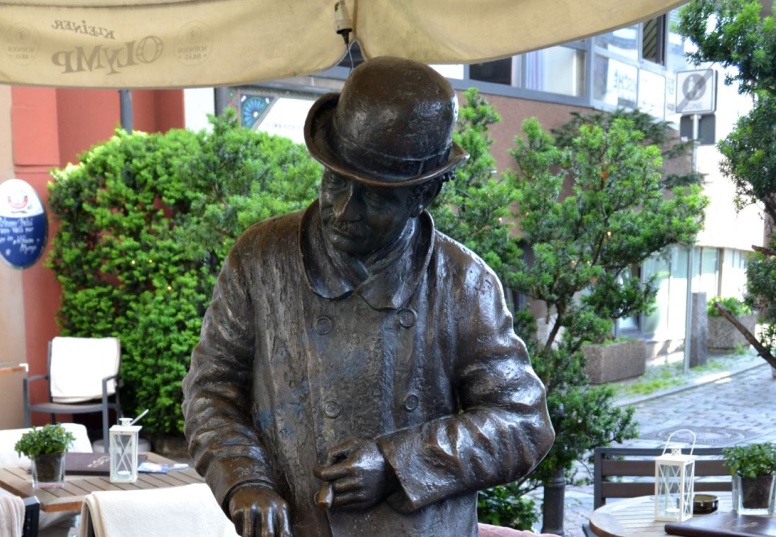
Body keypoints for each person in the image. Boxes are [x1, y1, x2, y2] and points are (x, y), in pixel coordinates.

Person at [182, 56, 554, 537]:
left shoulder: (464, 283)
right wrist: (243, 477)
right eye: (336, 180)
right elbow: (211, 391)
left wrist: (398, 462)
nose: (342, 210)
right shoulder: (260, 259)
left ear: (422, 195)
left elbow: (523, 423)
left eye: (374, 195)